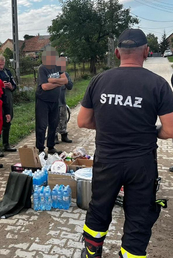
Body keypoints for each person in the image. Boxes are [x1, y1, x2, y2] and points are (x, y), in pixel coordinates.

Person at [77, 28, 173, 258]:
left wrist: (112, 127)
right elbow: (170, 130)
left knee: (99, 206)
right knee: (139, 214)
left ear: (117, 53)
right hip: (141, 163)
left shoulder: (99, 80)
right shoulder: (159, 84)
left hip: (107, 160)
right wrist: (148, 132)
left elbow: (83, 121)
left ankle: (92, 251)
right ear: (147, 52)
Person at [35, 46, 68, 155]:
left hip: (55, 100)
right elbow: (44, 86)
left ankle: (51, 146)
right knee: (42, 125)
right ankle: (40, 148)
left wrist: (52, 81)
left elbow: (65, 80)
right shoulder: (42, 68)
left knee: (53, 124)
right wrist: (58, 82)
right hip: (43, 100)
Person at [0, 54, 17, 157]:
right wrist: (0, 85)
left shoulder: (7, 72)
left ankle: (6, 144)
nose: (1, 66)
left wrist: (10, 86)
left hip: (8, 97)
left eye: (2, 64)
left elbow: (14, 85)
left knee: (8, 120)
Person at [54, 56, 73, 144]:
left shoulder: (66, 74)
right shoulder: (52, 74)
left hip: (62, 101)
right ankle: (54, 136)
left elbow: (70, 86)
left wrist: (66, 80)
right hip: (53, 102)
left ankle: (64, 135)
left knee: (63, 119)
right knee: (53, 120)